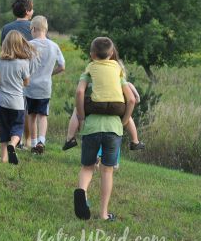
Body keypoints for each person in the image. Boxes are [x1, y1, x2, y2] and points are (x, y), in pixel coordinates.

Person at [73, 37, 136, 221]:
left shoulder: (90, 69)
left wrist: (81, 116)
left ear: (92, 54)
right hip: (113, 129)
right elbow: (131, 99)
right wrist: (124, 121)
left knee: (87, 166)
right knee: (107, 171)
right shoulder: (118, 70)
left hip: (92, 126)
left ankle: (82, 192)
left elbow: (79, 92)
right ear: (111, 54)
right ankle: (103, 214)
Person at [0, 0, 35, 148]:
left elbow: (4, 49)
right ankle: (23, 141)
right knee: (23, 111)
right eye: (32, 9)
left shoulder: (7, 28)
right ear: (28, 11)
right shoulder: (32, 27)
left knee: (6, 112)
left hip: (6, 74)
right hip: (26, 73)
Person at [24, 16, 65, 154]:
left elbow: (23, 65)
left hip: (30, 87)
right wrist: (50, 73)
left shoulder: (28, 45)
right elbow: (62, 66)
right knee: (43, 115)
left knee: (31, 115)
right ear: (46, 29)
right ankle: (42, 140)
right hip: (45, 87)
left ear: (33, 29)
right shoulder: (54, 46)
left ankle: (34, 143)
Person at [0, 30, 36, 165]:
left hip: (2, 102)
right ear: (20, 45)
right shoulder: (23, 63)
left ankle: (4, 157)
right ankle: (13, 144)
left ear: (5, 45)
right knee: (17, 127)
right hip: (17, 103)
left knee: (4, 128)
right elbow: (27, 82)